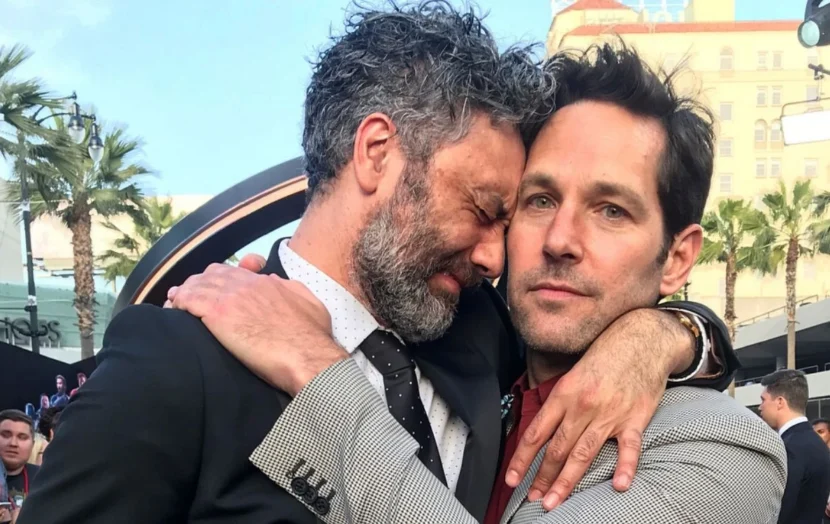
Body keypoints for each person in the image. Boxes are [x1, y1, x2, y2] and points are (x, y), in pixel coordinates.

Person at [18, 5, 735, 524]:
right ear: (377, 152)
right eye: (489, 208)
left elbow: (607, 308)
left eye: (610, 211)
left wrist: (664, 334)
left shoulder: (478, 334)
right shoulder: (178, 361)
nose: (499, 255)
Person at [164, 42, 786, 523]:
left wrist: (316, 370)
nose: (560, 239)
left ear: (678, 257)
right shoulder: (472, 341)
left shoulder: (724, 451)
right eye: (538, 200)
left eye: (611, 210)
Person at [759, 369, 830, 524]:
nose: (760, 407)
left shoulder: (790, 447)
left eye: (763, 400)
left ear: (780, 402)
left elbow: (779, 510)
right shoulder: (816, 443)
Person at [0, 411, 38, 516]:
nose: (13, 443)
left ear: (32, 444)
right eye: (5, 435)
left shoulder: (45, 478)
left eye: (22, 437)